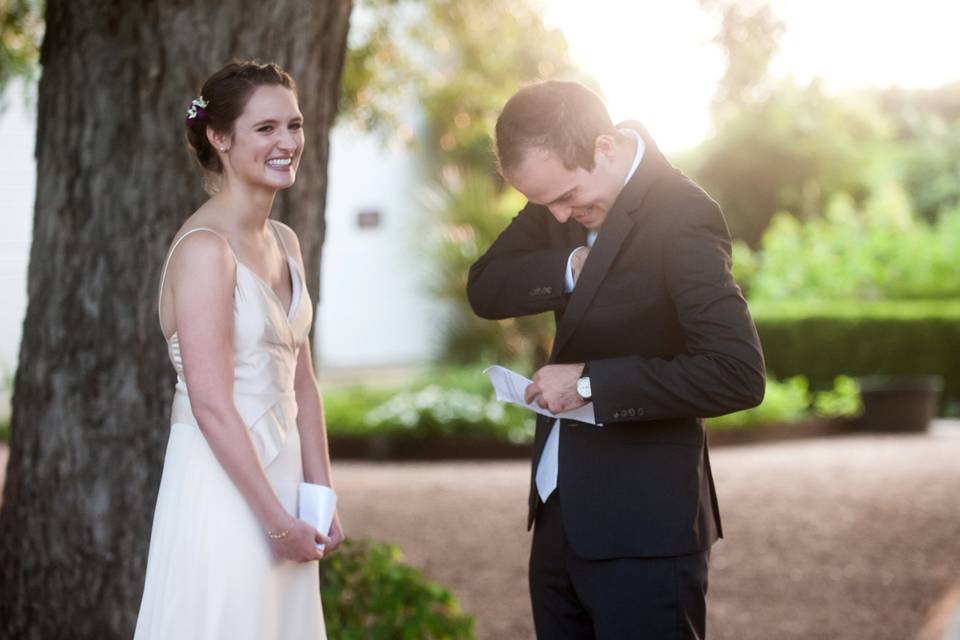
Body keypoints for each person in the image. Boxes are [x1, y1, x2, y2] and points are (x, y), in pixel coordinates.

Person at [467, 81, 766, 639]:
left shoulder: (684, 214)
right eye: (543, 204)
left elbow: (737, 373)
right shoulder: (563, 196)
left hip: (645, 532)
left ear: (604, 147)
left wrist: (589, 385)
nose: (557, 217)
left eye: (566, 196)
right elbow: (486, 287)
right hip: (559, 517)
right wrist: (570, 269)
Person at [135, 61, 342, 640]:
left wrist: (318, 496)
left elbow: (302, 381)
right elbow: (211, 405)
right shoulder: (204, 249)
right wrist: (276, 524)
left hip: (286, 486)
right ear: (220, 138)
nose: (287, 143)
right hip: (224, 486)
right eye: (266, 128)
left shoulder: (285, 240)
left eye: (294, 126)